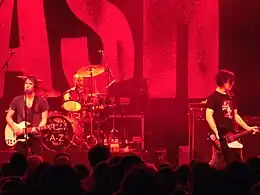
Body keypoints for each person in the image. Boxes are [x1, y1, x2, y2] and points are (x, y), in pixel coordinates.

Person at [205, 69, 258, 168]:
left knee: (237, 162)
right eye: (230, 81)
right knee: (218, 163)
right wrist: (215, 132)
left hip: (233, 136)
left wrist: (248, 128)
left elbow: (236, 116)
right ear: (223, 81)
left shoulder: (232, 96)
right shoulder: (213, 97)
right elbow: (208, 115)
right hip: (221, 136)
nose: (232, 84)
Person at [5, 75, 49, 156]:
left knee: (37, 157)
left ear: (34, 87)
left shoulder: (42, 101)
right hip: (19, 136)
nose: (27, 86)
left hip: (35, 136)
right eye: (26, 83)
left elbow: (44, 119)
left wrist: (39, 128)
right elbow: (8, 116)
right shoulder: (17, 100)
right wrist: (14, 127)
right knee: (20, 159)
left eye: (30, 84)